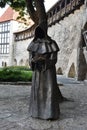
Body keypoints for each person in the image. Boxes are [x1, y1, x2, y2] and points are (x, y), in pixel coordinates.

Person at [27, 26, 60, 119]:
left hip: (48, 72)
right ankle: (36, 112)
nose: (38, 33)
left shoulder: (51, 43)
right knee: (37, 91)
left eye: (40, 31)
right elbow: (30, 58)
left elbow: (54, 59)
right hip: (37, 72)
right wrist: (34, 61)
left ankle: (49, 113)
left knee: (49, 91)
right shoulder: (33, 43)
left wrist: (45, 60)